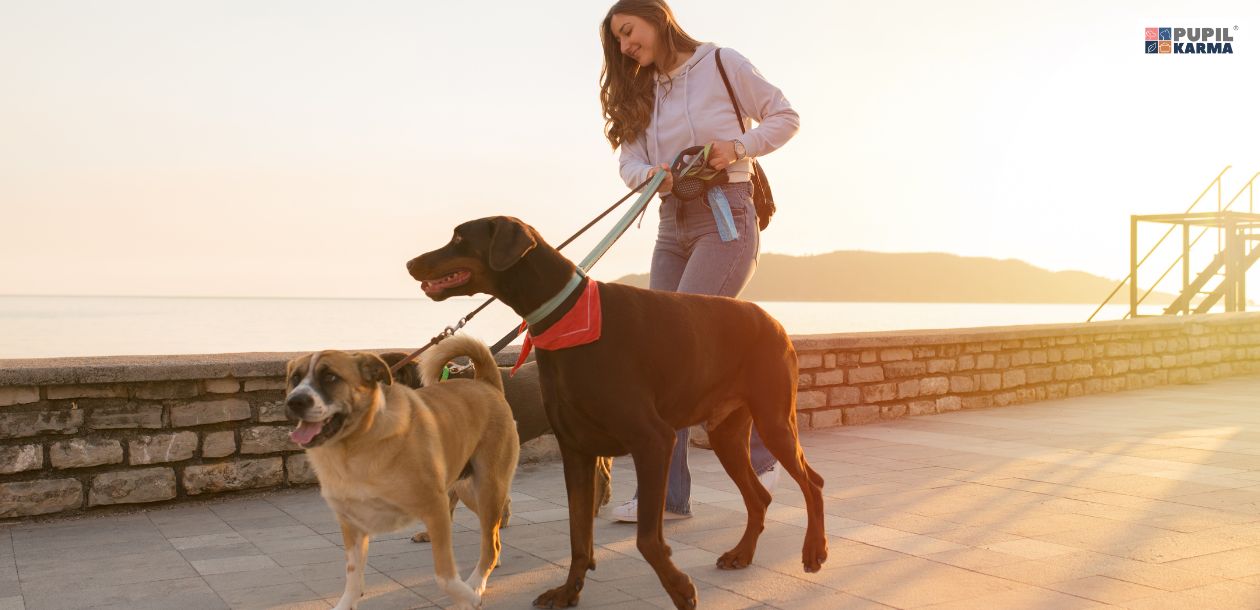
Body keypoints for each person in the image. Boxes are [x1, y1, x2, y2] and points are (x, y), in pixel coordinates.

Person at [599, 0, 800, 522]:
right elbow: (629, 159)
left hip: (724, 216)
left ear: (656, 17)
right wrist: (649, 176)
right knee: (657, 355)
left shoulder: (720, 62)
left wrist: (736, 147)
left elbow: (785, 116)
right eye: (617, 42)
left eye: (628, 32)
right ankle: (668, 497)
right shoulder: (643, 89)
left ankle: (760, 456)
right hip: (671, 221)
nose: (624, 47)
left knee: (685, 348)